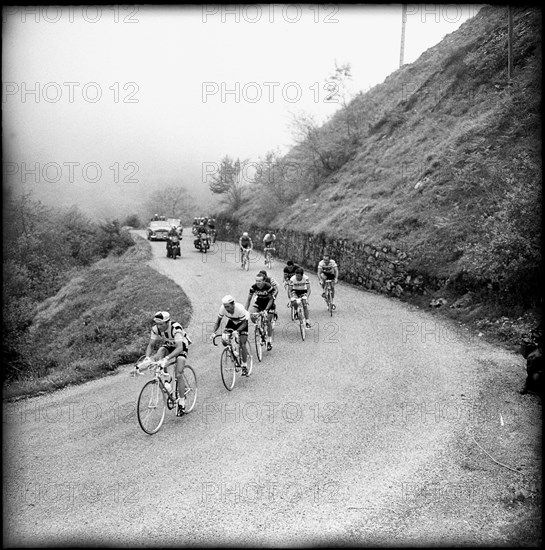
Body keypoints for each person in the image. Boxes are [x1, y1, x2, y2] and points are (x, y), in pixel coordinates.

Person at [144, 311, 192, 417]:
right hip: (169, 344)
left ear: (167, 322)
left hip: (181, 345)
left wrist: (167, 358)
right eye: (158, 324)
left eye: (162, 324)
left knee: (179, 373)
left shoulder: (176, 328)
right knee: (159, 354)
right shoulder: (155, 329)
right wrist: (147, 358)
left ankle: (182, 402)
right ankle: (166, 379)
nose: (159, 327)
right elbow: (151, 345)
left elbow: (179, 348)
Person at [211, 295, 251, 374]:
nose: (226, 309)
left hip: (242, 323)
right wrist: (213, 332)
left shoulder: (239, 309)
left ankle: (244, 366)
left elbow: (244, 324)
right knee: (224, 339)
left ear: (233, 304)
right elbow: (218, 322)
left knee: (242, 344)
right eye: (225, 307)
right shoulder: (222, 308)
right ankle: (233, 352)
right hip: (232, 322)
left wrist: (237, 331)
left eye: (228, 306)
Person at [245, 274, 275, 351]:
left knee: (268, 321)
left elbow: (271, 300)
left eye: (260, 281)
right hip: (259, 303)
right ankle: (259, 328)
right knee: (252, 315)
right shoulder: (253, 287)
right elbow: (249, 300)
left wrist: (266, 310)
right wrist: (245, 311)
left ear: (264, 281)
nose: (258, 283)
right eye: (257, 281)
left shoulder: (268, 287)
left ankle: (269, 340)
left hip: (269, 305)